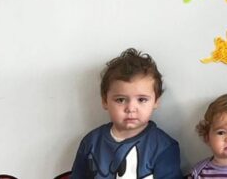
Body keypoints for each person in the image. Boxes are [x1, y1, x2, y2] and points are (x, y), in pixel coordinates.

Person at [71, 48, 182, 179]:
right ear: (105, 101)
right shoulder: (91, 142)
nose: (131, 108)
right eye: (121, 100)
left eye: (141, 100)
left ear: (156, 101)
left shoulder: (165, 147)